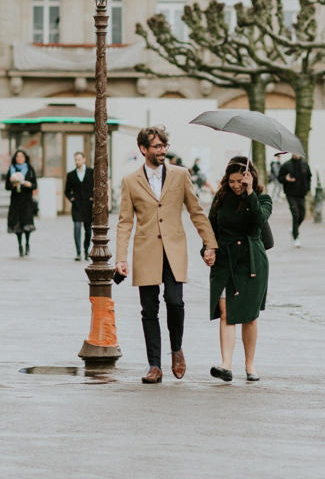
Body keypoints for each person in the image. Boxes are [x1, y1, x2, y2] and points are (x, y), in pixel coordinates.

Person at [115, 125, 218, 384]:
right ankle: (154, 365)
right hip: (145, 250)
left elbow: (196, 211)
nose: (162, 151)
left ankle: (176, 349)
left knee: (175, 302)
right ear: (143, 149)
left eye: (164, 146)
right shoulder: (129, 181)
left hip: (174, 250)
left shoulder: (180, 175)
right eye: (157, 147)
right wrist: (120, 257)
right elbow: (125, 222)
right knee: (149, 310)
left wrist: (210, 244)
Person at [204, 157, 271, 382]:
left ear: (249, 178)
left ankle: (250, 365)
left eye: (239, 182)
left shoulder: (262, 198)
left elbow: (259, 219)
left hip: (252, 262)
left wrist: (249, 193)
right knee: (227, 313)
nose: (235, 186)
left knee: (250, 316)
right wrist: (208, 249)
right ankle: (226, 365)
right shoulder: (221, 198)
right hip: (225, 261)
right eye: (231, 181)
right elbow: (210, 228)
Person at [6, 149, 37, 257]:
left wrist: (29, 185)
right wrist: (12, 184)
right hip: (16, 202)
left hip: (27, 201)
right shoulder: (11, 169)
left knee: (26, 224)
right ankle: (20, 245)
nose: (19, 158)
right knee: (17, 225)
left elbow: (35, 185)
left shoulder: (30, 169)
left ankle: (27, 243)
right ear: (15, 158)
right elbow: (7, 186)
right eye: (18, 157)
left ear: (25, 158)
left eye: (21, 156)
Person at [64, 152, 95, 261]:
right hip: (77, 206)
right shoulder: (71, 175)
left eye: (79, 159)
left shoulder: (91, 172)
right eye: (76, 160)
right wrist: (72, 199)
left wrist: (93, 198)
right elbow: (67, 191)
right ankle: (78, 252)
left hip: (88, 205)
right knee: (77, 228)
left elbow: (97, 187)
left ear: (84, 159)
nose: (77, 162)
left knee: (88, 230)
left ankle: (86, 250)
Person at [278, 153, 311, 248]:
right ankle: (296, 237)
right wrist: (286, 178)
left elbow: (309, 177)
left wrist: (307, 188)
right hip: (290, 193)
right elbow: (279, 177)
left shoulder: (305, 164)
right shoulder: (286, 165)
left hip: (301, 194)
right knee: (295, 214)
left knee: (302, 214)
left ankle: (293, 229)